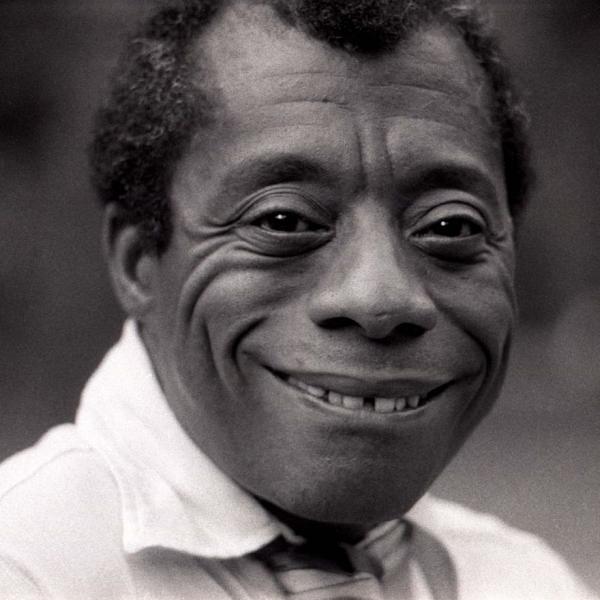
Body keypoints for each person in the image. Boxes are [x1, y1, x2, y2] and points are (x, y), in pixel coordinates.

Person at [0, 0, 594, 598]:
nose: (382, 298)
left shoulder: (529, 581)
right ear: (138, 265)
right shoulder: (27, 567)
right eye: (283, 220)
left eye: (449, 227)